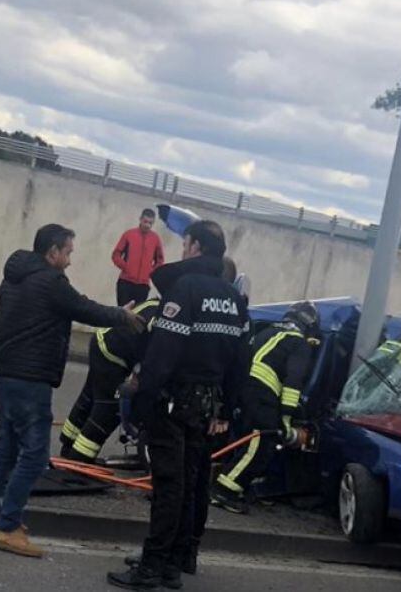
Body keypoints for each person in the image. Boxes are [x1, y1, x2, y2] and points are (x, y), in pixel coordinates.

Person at [0, 224, 143, 559]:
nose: (69, 260)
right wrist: (122, 317)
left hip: (7, 373)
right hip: (32, 379)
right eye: (67, 252)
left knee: (7, 448)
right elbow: (85, 308)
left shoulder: (14, 277)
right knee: (35, 457)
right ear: (52, 252)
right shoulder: (52, 282)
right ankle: (8, 528)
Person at [107, 221, 249, 590]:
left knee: (168, 486)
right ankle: (172, 563)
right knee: (188, 484)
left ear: (196, 247)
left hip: (172, 403)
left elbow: (162, 355)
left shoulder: (184, 289)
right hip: (205, 408)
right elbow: (240, 363)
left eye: (185, 244)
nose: (182, 250)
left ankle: (151, 567)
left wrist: (141, 402)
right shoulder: (234, 300)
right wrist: (224, 410)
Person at [210, 300, 320, 515]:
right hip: (260, 392)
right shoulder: (299, 343)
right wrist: (287, 418)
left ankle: (236, 486)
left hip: (241, 388)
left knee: (247, 441)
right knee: (263, 442)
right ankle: (224, 491)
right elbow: (293, 381)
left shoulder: (268, 332)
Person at [60, 298, 161, 463]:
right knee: (109, 407)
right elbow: (155, 355)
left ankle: (68, 443)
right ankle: (79, 459)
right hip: (113, 352)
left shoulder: (158, 305)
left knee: (90, 395)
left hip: (104, 341)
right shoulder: (165, 316)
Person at [112, 209, 166, 306]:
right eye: (145, 221)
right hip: (125, 282)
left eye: (150, 223)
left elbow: (160, 260)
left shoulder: (155, 239)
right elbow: (116, 255)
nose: (147, 225)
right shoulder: (129, 234)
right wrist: (126, 267)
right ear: (140, 219)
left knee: (136, 316)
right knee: (121, 315)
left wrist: (151, 271)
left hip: (143, 285)